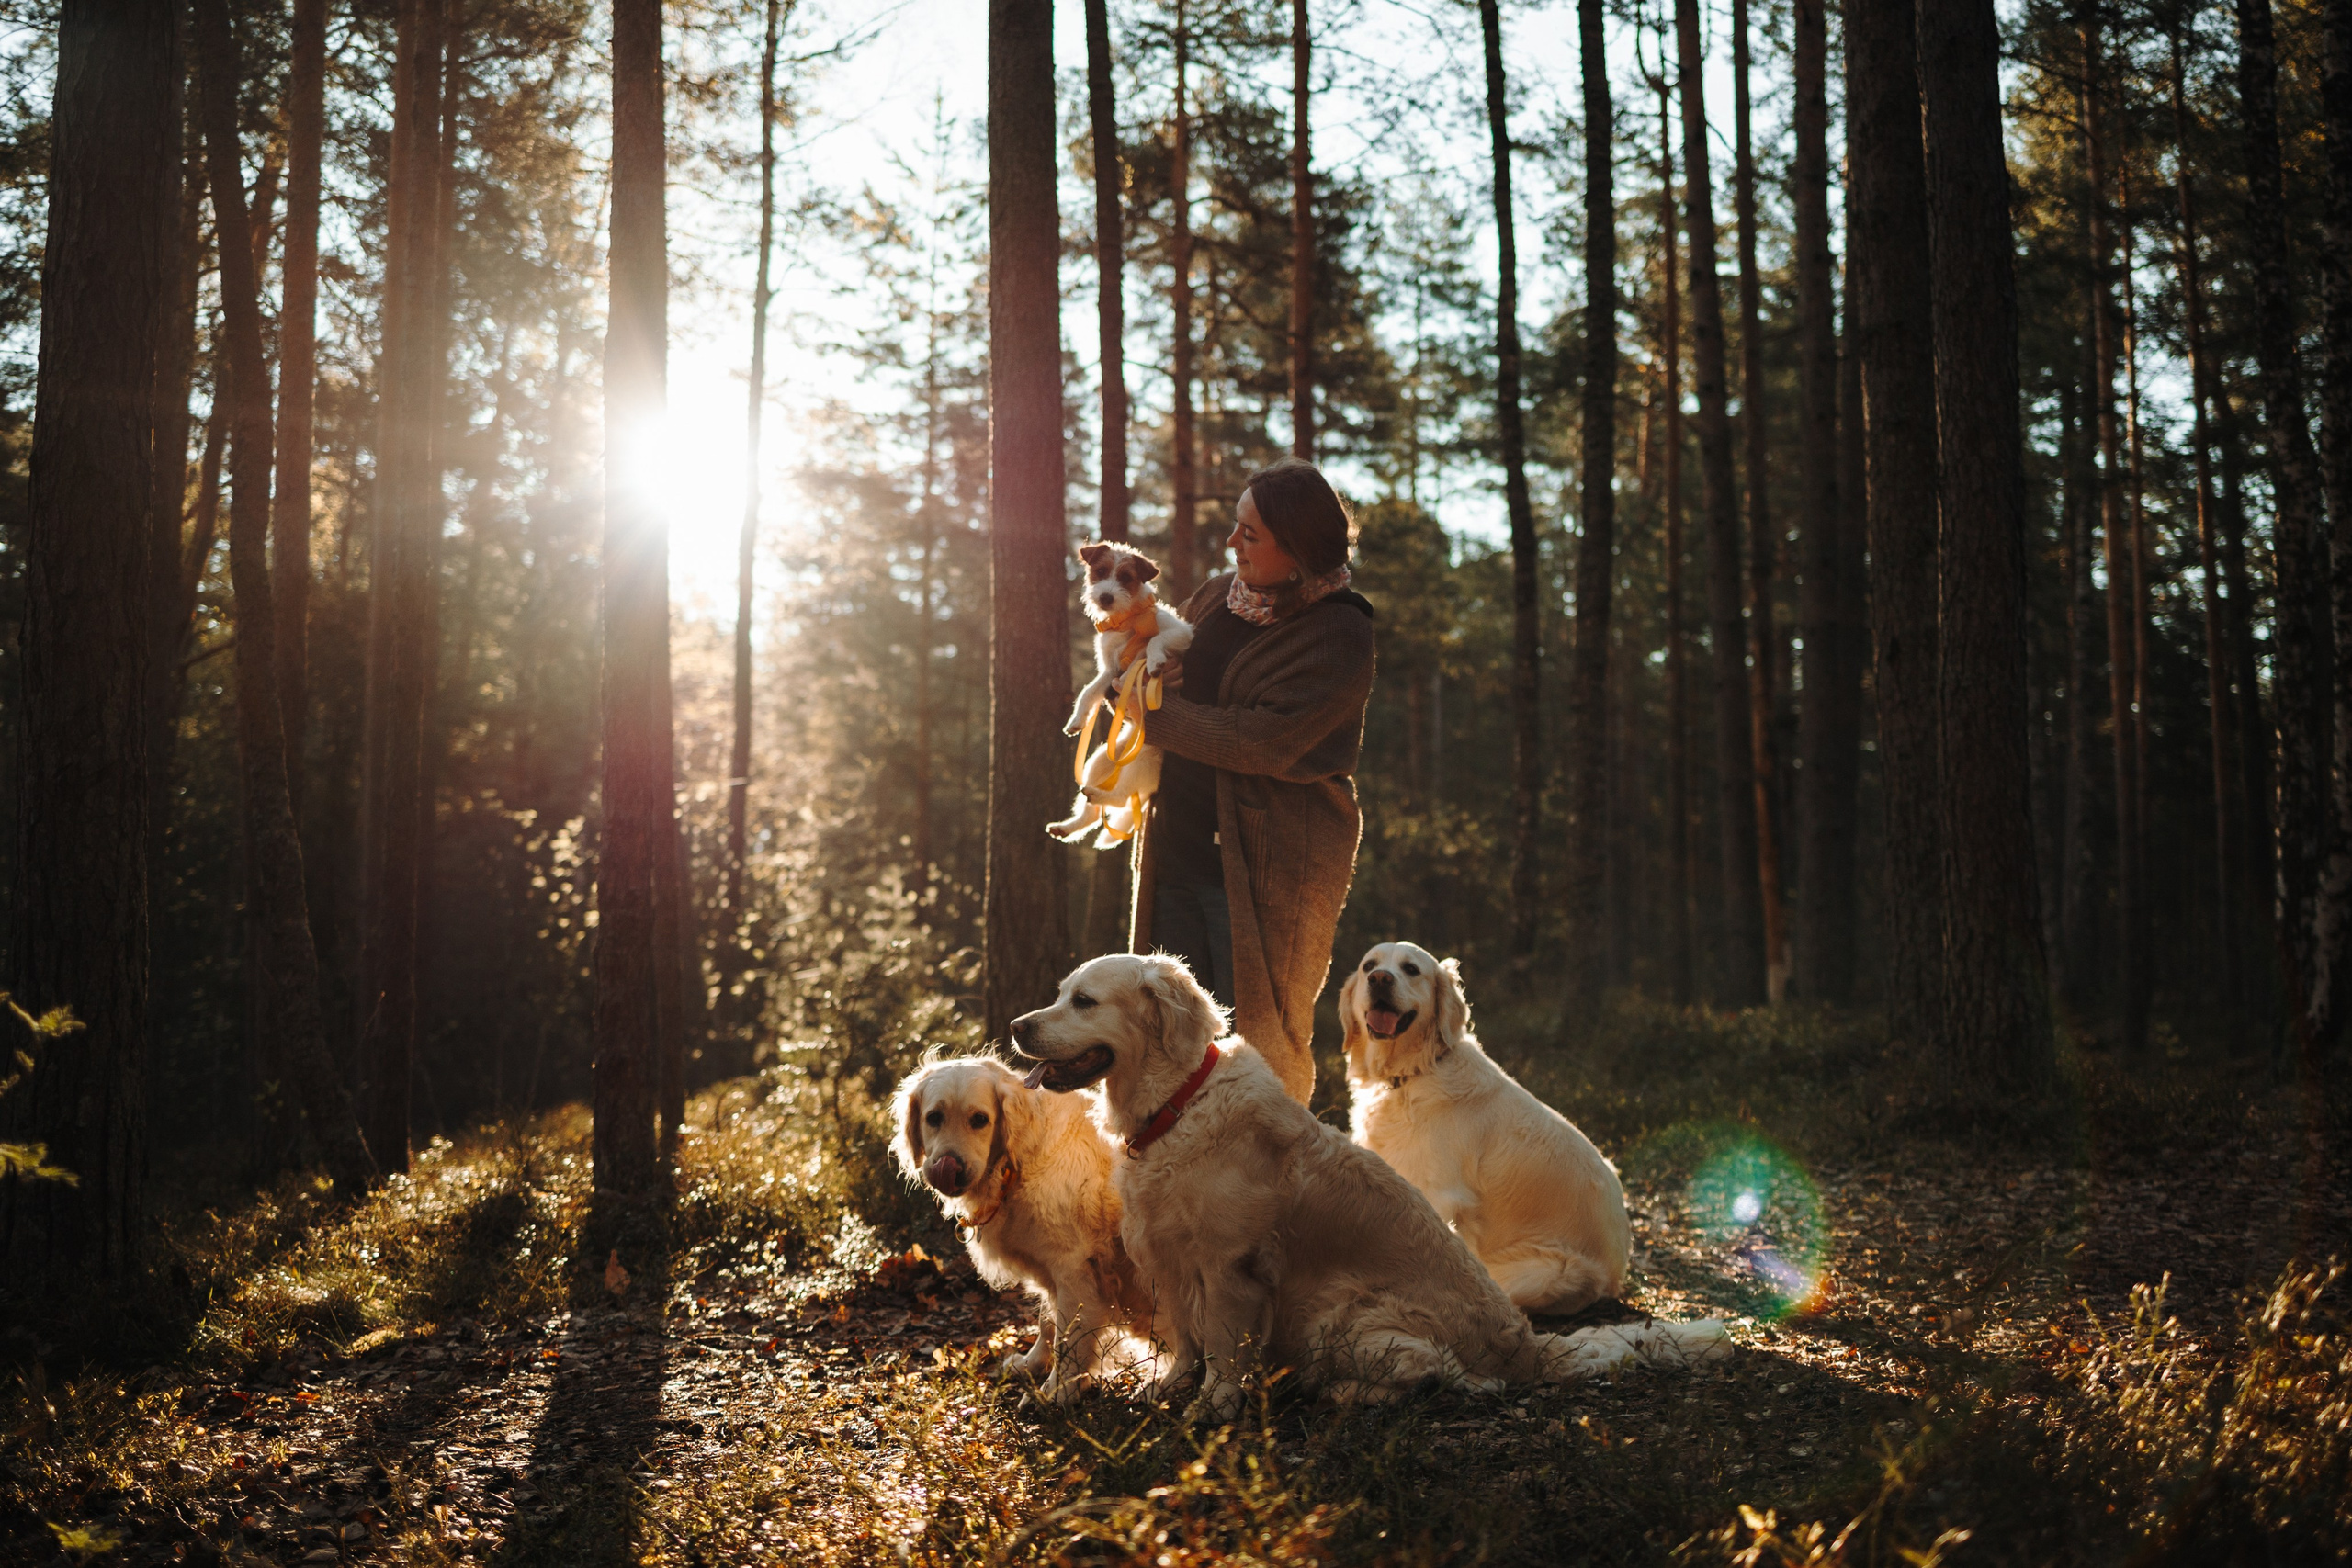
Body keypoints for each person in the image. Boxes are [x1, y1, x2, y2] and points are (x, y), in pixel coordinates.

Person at [1129, 457, 1375, 1105]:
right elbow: (1162, 660)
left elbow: (1262, 739)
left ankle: (1274, 1192)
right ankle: (1182, 1188)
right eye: (1236, 526)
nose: (1232, 542)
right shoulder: (1216, 595)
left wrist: (1156, 718)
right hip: (1176, 848)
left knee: (1259, 1044)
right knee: (1166, 1035)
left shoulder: (1340, 630)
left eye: (1251, 534)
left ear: (1296, 552)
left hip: (1266, 871)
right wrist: (1151, 679)